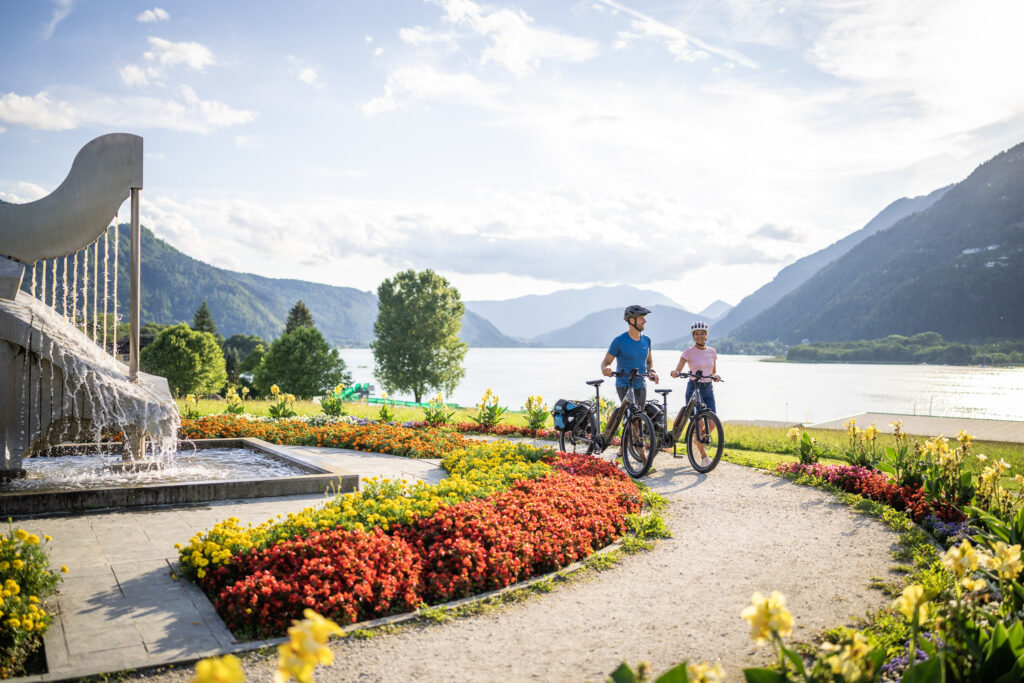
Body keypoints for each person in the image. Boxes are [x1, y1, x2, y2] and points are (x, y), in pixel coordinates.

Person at [601, 304, 659, 411]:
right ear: (632, 320)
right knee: (633, 419)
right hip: (624, 385)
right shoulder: (619, 341)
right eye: (642, 318)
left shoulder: (647, 340)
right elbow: (606, 361)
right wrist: (606, 368)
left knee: (639, 417)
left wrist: (652, 371)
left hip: (641, 385)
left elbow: (649, 361)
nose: (645, 321)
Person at [670, 320, 721, 411]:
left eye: (702, 333)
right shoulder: (688, 352)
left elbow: (713, 372)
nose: (699, 336)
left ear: (706, 335)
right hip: (694, 387)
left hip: (708, 388)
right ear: (693, 336)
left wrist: (715, 377)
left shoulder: (712, 351)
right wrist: (675, 373)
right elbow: (678, 370)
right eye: (696, 334)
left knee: (712, 423)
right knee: (698, 422)